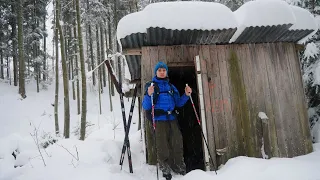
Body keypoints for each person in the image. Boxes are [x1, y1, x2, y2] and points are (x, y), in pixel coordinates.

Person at [142, 61, 192, 180]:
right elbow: (146, 106)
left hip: (172, 119)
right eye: (159, 70)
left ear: (166, 72)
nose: (162, 72)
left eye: (164, 70)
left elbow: (178, 103)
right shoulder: (152, 86)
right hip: (159, 120)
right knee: (162, 145)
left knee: (177, 142)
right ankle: (165, 170)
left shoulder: (171, 87)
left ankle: (179, 167)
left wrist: (186, 95)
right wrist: (149, 95)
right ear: (156, 72)